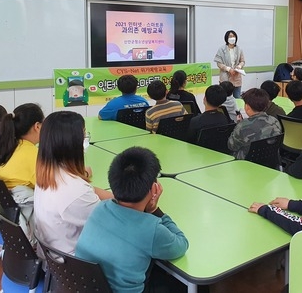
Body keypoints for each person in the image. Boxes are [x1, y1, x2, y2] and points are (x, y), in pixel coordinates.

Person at [75, 147, 189, 293]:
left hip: (85, 288)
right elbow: (181, 245)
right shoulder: (151, 229)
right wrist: (155, 210)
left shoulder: (100, 208)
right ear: (154, 188)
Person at [34, 111, 113, 255]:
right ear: (73, 142)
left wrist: (116, 197)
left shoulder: (47, 173)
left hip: (54, 257)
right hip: (75, 268)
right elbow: (112, 225)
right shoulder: (76, 192)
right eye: (83, 134)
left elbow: (89, 191)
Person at [0, 103, 44, 240]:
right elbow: (51, 188)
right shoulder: (32, 154)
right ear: (37, 126)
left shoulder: (8, 146)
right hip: (20, 222)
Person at [227, 88, 282, 159]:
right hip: (269, 160)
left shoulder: (243, 126)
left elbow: (231, 146)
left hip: (246, 162)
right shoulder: (274, 121)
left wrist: (238, 125)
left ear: (247, 107)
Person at [214, 30, 245, 98]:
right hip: (225, 78)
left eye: (234, 36)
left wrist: (239, 66)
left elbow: (242, 61)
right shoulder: (221, 49)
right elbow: (219, 63)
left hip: (236, 77)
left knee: (237, 98)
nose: (232, 38)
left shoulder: (239, 49)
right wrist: (228, 69)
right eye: (230, 36)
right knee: (225, 99)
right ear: (226, 38)